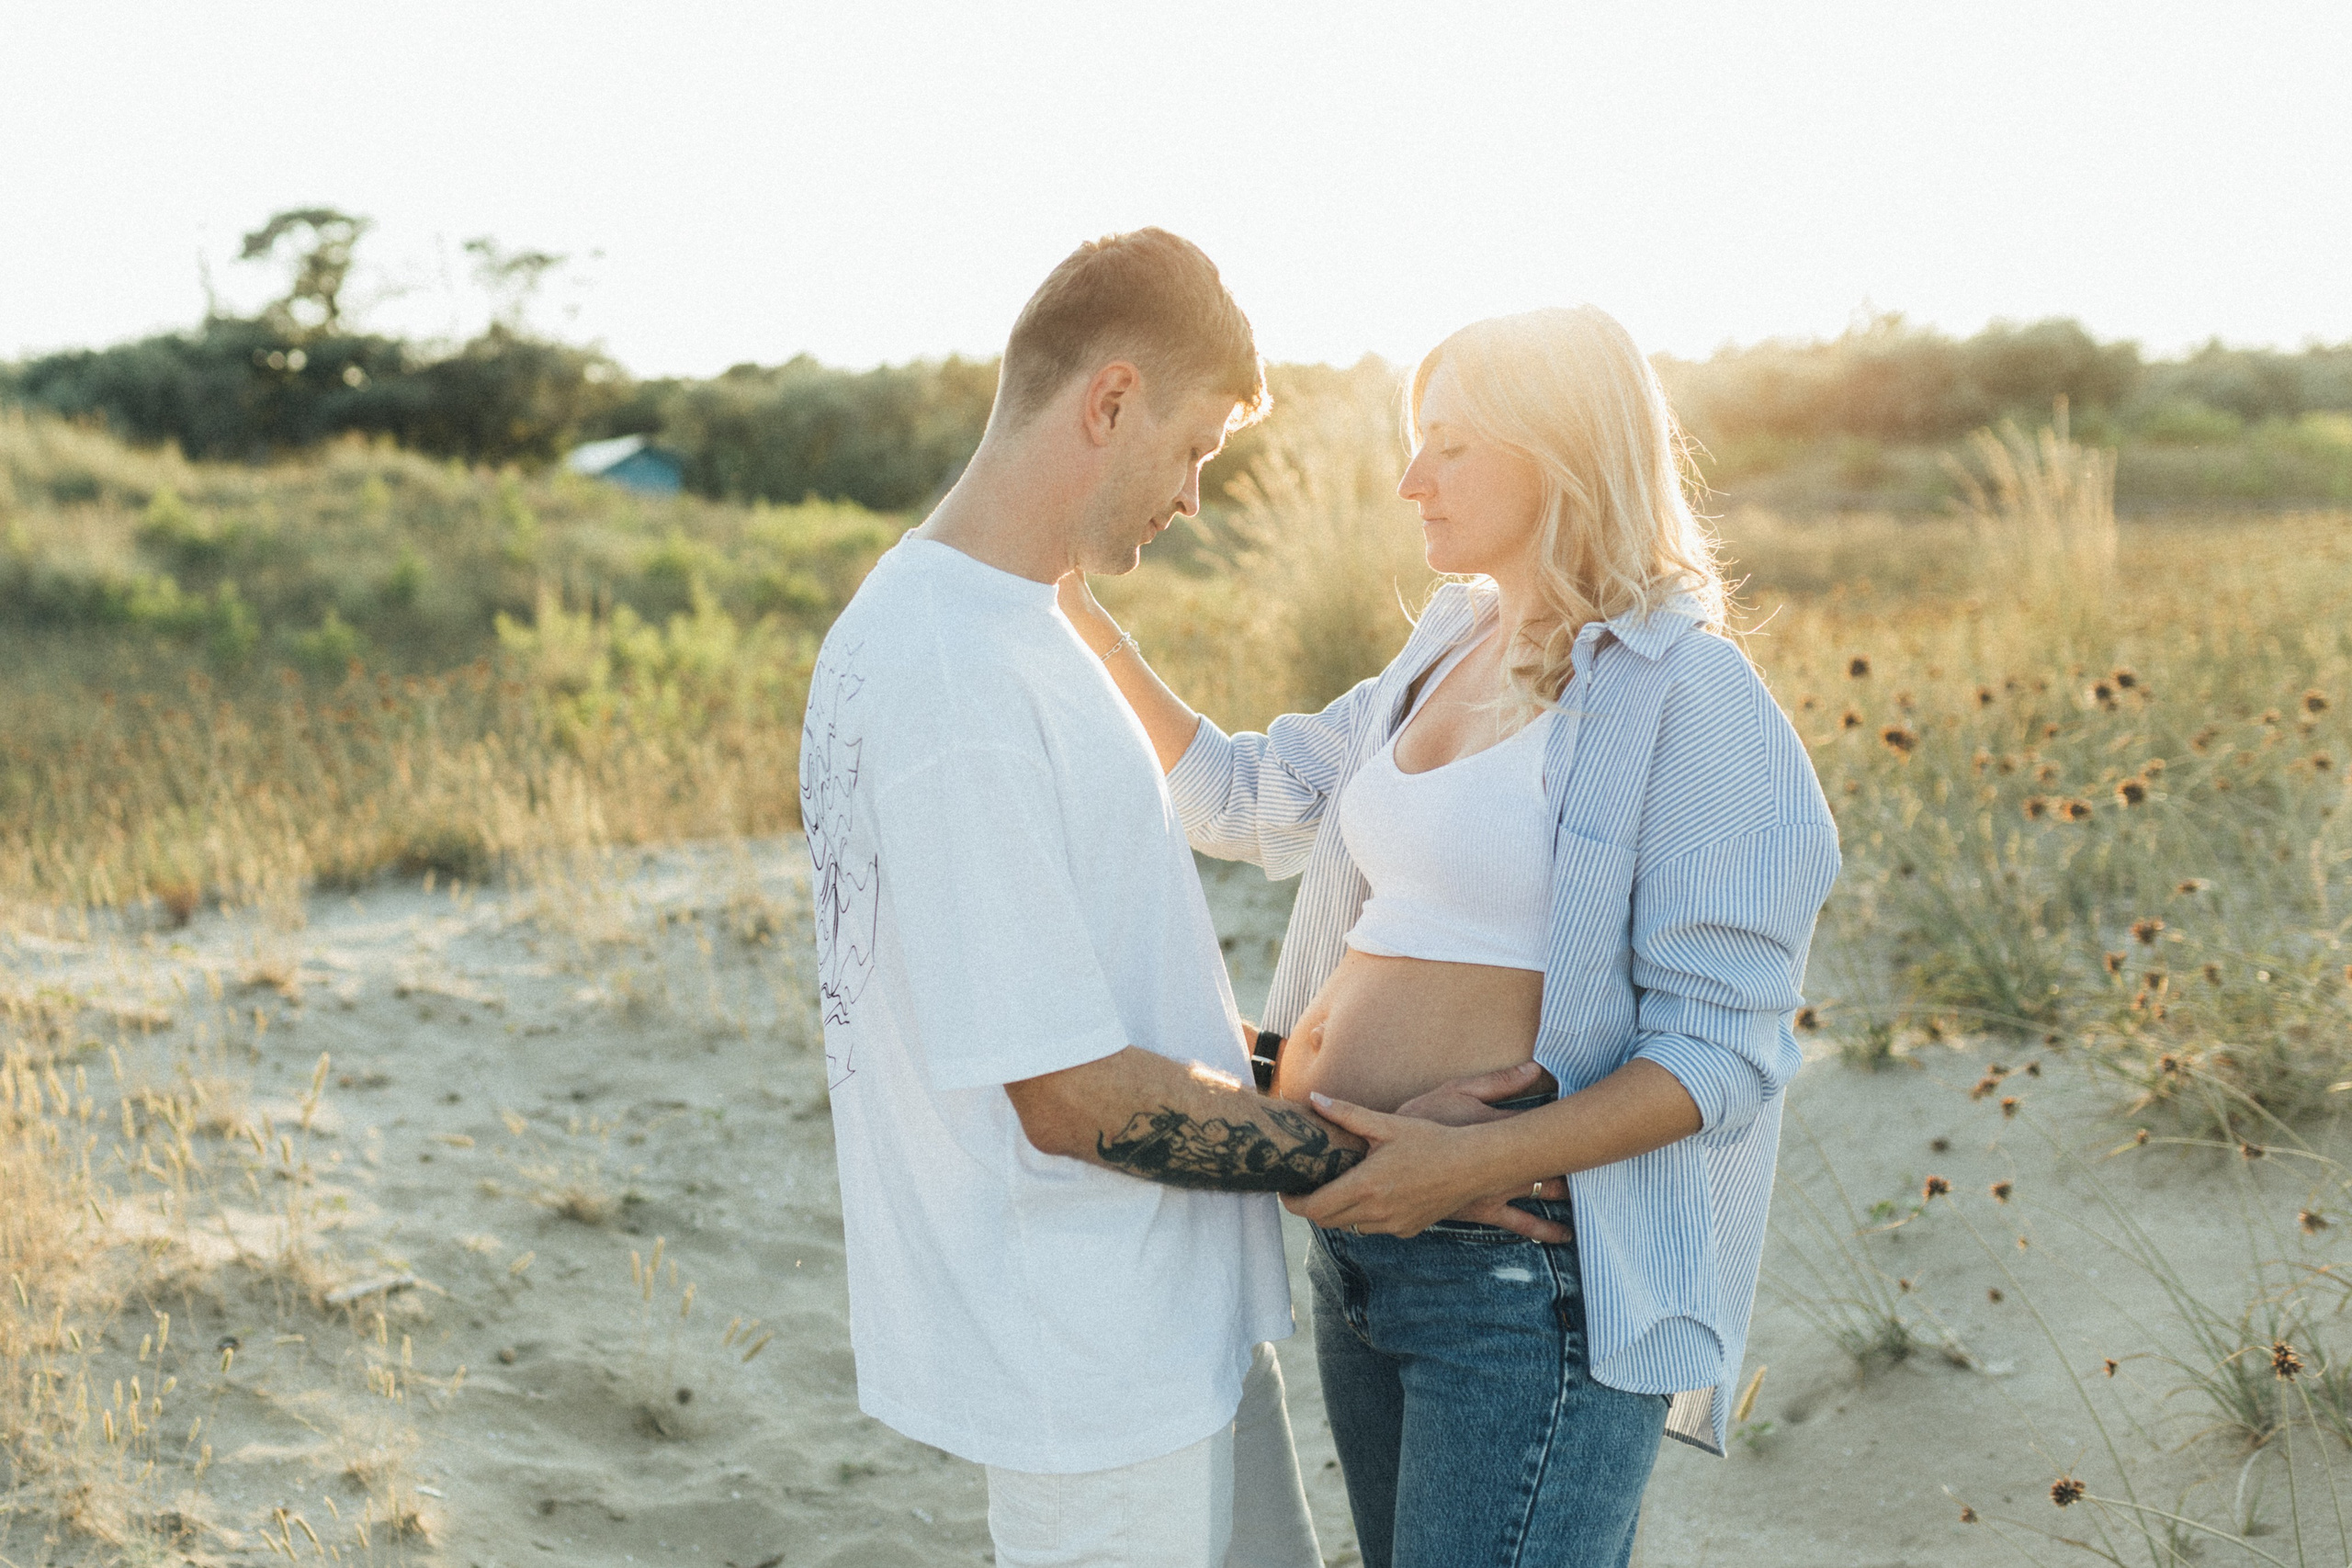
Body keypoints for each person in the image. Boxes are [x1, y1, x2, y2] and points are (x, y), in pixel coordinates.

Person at [799, 231, 1560, 1568]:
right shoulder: (953, 679)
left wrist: (1347, 1101)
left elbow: (1110, 984)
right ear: (1110, 400)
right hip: (1085, 1361)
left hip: (1160, 1321)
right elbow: (1071, 1095)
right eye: (1198, 446)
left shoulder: (1010, 630)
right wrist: (1385, 1165)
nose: (1196, 495)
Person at [1057, 304, 1840, 1568]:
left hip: (1519, 1290)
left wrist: (1470, 1166)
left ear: (1566, 453)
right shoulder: (1446, 644)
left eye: (1454, 445)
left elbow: (1727, 1053)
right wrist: (1080, 613)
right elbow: (1247, 796)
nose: (1411, 479)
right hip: (1359, 1260)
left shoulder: (1691, 696)